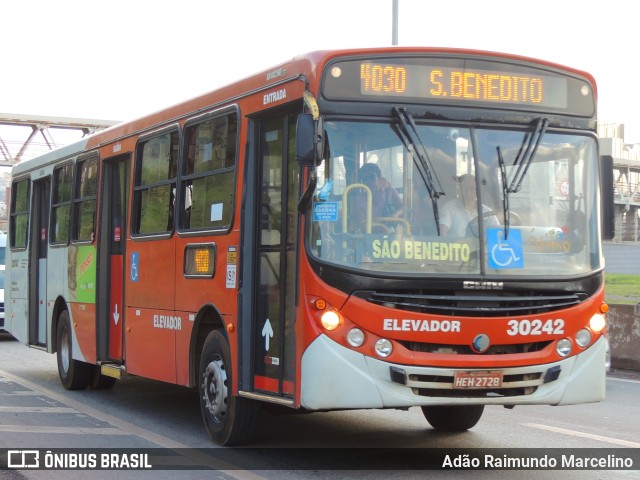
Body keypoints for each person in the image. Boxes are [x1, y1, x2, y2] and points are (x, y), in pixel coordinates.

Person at [350, 163, 403, 232]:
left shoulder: (389, 191)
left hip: (394, 235)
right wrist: (383, 228)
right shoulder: (358, 200)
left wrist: (395, 215)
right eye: (364, 178)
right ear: (361, 182)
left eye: (372, 177)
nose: (368, 181)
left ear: (379, 178)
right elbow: (363, 226)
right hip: (371, 237)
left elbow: (404, 206)